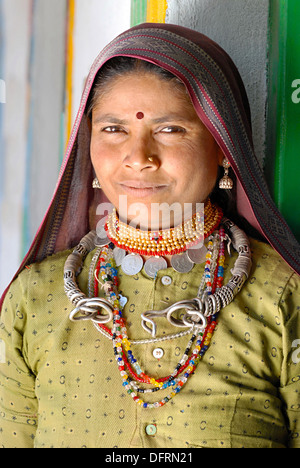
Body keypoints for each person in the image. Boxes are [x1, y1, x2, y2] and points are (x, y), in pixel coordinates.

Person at [0, 22, 299, 449]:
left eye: (170, 129)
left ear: (222, 146)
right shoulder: (35, 300)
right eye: (113, 129)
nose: (139, 158)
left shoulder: (281, 297)